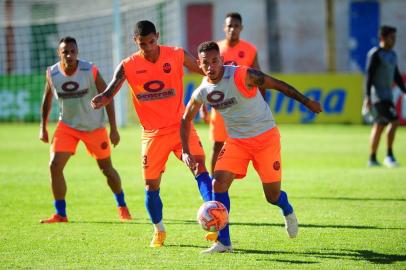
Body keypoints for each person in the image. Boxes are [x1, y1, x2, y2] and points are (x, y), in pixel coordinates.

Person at [181, 41, 322, 253]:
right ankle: (224, 243)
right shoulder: (203, 91)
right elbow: (185, 120)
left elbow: (278, 85)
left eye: (214, 60)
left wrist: (307, 102)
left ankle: (287, 209)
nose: (211, 66)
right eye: (205, 63)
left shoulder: (243, 75)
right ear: (199, 66)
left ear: (221, 60)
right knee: (217, 184)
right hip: (237, 142)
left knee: (272, 196)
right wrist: (185, 150)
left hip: (266, 139)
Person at [91, 21, 212, 248]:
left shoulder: (176, 54)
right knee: (151, 187)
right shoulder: (128, 65)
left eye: (151, 41)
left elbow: (204, 68)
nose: (148, 47)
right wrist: (102, 98)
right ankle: (159, 230)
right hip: (152, 135)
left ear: (158, 36)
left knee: (200, 168)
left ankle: (213, 221)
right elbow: (110, 90)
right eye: (143, 43)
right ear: (135, 42)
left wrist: (223, 74)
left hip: (180, 128)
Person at [39, 36, 132, 223]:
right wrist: (43, 127)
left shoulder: (90, 70)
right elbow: (47, 100)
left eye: (73, 51)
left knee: (106, 169)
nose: (69, 55)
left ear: (77, 52)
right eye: (65, 51)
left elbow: (108, 96)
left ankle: (121, 204)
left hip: (94, 127)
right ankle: (60, 213)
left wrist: (113, 128)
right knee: (54, 166)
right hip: (67, 126)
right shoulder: (52, 73)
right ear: (59, 53)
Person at [205, 12, 264, 175]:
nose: (233, 29)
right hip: (221, 105)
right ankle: (213, 185)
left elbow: (260, 78)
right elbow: (207, 79)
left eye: (236, 26)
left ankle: (266, 178)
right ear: (224, 28)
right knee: (217, 145)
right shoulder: (216, 49)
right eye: (229, 26)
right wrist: (204, 107)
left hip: (244, 107)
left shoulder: (250, 50)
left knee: (252, 145)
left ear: (241, 28)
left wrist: (262, 105)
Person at [364, 25, 406, 168]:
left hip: (387, 96)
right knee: (393, 122)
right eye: (391, 37)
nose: (394, 40)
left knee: (380, 125)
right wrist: (368, 96)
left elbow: (396, 75)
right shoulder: (376, 54)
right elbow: (369, 76)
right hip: (378, 97)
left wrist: (404, 90)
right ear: (383, 38)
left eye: (395, 37)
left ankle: (372, 158)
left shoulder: (392, 55)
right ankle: (389, 156)